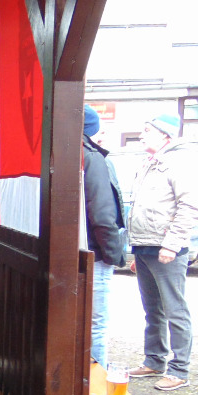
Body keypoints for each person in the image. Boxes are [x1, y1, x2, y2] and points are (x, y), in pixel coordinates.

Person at [126, 113, 198, 391]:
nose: (142, 135)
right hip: (145, 246)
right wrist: (137, 249)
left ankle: (179, 369)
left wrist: (172, 243)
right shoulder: (150, 162)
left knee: (174, 309)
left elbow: (191, 206)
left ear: (165, 135)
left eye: (148, 130)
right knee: (152, 310)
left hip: (166, 248)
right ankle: (154, 360)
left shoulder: (180, 162)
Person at [83, 105, 126, 366]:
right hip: (95, 254)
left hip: (78, 249)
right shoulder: (93, 157)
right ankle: (95, 381)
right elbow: (102, 214)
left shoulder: (67, 152)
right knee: (96, 324)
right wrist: (113, 255)